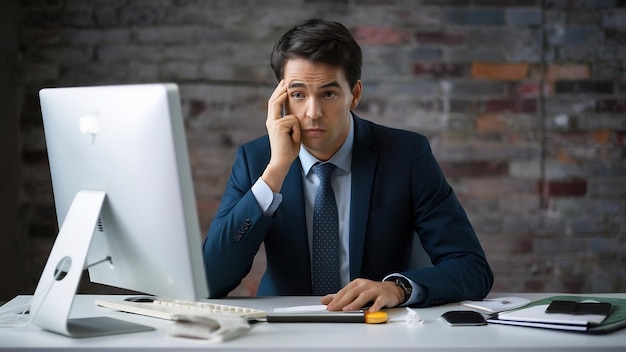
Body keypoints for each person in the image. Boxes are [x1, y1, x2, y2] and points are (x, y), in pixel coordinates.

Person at [203, 18, 493, 313]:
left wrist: (398, 288)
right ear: (280, 99)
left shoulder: (407, 155)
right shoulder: (255, 160)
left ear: (354, 94)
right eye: (298, 94)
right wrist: (275, 171)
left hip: (379, 325)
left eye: (328, 94)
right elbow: (210, 281)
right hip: (284, 327)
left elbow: (471, 268)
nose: (313, 112)